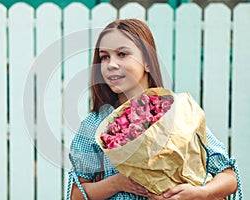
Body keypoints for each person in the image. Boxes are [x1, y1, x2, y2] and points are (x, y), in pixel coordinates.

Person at [66, 18, 242, 200]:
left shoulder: (176, 111)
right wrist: (117, 183)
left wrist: (201, 193)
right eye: (104, 57)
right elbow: (76, 195)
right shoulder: (95, 125)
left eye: (122, 54)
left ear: (148, 62)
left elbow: (228, 176)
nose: (111, 64)